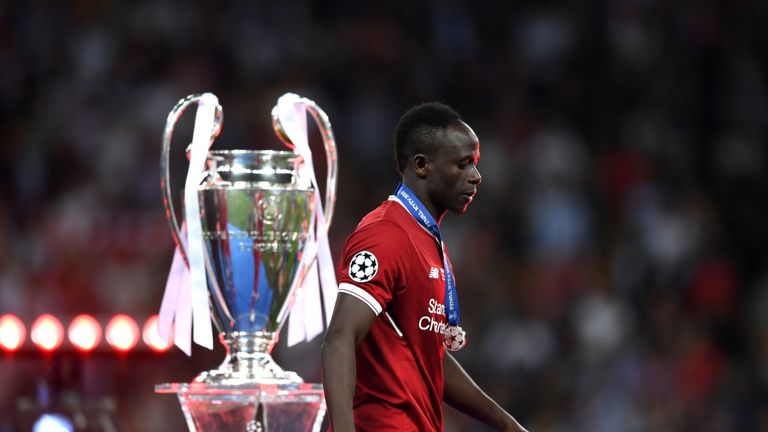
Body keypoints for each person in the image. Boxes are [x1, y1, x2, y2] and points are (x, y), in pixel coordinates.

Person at [321, 102, 528, 432]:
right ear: (421, 165)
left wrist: (506, 424)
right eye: (463, 164)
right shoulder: (386, 234)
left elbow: (430, 358)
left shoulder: (432, 244)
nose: (476, 176)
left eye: (474, 164)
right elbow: (340, 338)